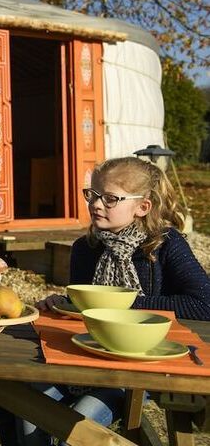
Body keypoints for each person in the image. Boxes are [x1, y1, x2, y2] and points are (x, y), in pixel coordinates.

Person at [14, 156, 210, 445]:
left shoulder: (165, 244)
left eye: (110, 198)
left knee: (76, 429)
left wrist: (126, 307)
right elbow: (87, 304)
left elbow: (204, 304)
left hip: (141, 363)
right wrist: (63, 302)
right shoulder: (86, 247)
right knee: (28, 412)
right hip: (83, 353)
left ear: (142, 207)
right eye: (92, 195)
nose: (96, 204)